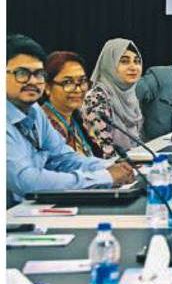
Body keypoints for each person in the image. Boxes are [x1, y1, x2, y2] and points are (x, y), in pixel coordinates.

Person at [6, 34, 135, 204]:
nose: (33, 81)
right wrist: (106, 176)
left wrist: (114, 167)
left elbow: (63, 158)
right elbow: (27, 182)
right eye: (22, 73)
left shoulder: (34, 112)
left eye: (39, 74)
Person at [81, 38, 145, 159]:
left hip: (132, 162)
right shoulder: (96, 98)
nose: (133, 67)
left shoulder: (130, 96)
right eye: (124, 61)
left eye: (137, 61)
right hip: (107, 166)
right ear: (109, 65)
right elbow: (104, 150)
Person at [40, 51, 97, 156]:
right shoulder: (42, 125)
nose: (78, 90)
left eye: (82, 81)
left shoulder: (78, 119)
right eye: (68, 82)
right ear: (47, 87)